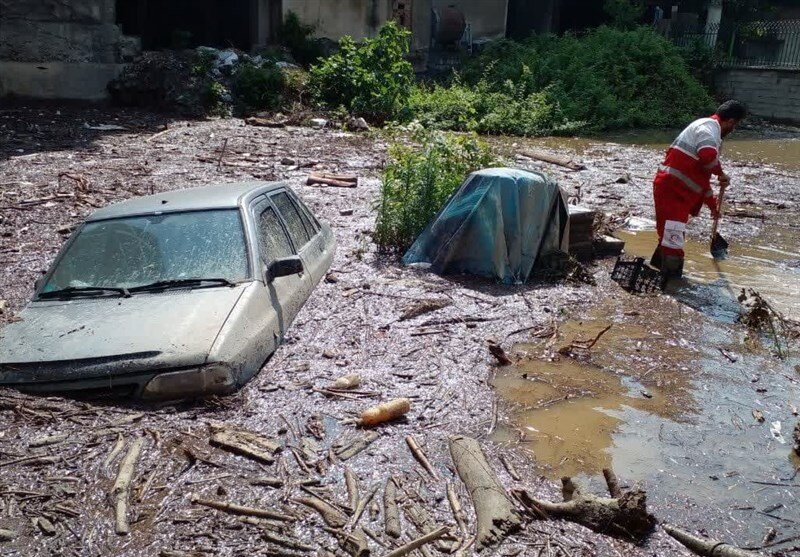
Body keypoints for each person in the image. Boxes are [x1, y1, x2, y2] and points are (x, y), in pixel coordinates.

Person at [650, 100, 746, 278]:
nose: (733, 130)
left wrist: (713, 206)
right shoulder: (708, 130)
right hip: (672, 191)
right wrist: (721, 174)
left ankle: (659, 268)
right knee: (673, 239)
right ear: (731, 121)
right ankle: (673, 284)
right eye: (735, 125)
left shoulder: (710, 132)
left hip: (677, 191)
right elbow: (708, 157)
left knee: (671, 235)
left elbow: (702, 181)